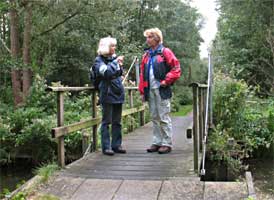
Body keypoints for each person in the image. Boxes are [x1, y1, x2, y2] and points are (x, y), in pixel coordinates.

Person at [138, 28, 181, 154]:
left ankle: (166, 143)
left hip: (162, 89)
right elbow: (142, 75)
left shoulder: (165, 52)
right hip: (150, 90)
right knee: (154, 117)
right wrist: (142, 91)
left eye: (150, 37)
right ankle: (157, 142)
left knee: (163, 116)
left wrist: (166, 80)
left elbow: (176, 68)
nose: (147, 40)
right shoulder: (146, 56)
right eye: (147, 37)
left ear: (157, 38)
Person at [92, 37, 126, 156]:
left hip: (117, 92)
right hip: (106, 94)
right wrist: (116, 63)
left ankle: (116, 145)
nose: (114, 48)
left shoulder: (113, 59)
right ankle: (106, 147)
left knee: (117, 121)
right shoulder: (98, 61)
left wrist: (117, 65)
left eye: (114, 46)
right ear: (106, 47)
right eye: (112, 46)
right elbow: (106, 72)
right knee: (106, 121)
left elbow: (118, 73)